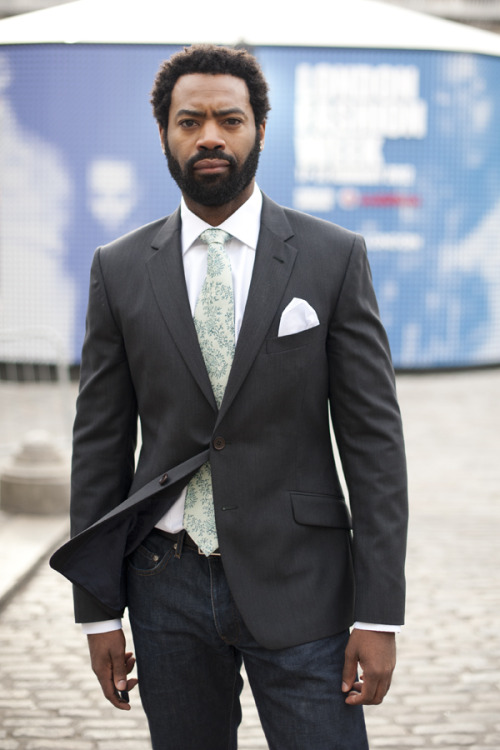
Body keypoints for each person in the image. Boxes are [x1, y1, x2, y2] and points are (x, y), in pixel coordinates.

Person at [51, 44, 408, 750]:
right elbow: (99, 441)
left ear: (259, 130)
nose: (210, 135)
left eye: (229, 119)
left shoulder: (332, 257)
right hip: (163, 583)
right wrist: (97, 615)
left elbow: (373, 444)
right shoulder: (118, 270)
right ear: (164, 135)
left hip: (304, 582)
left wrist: (380, 612)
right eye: (190, 121)